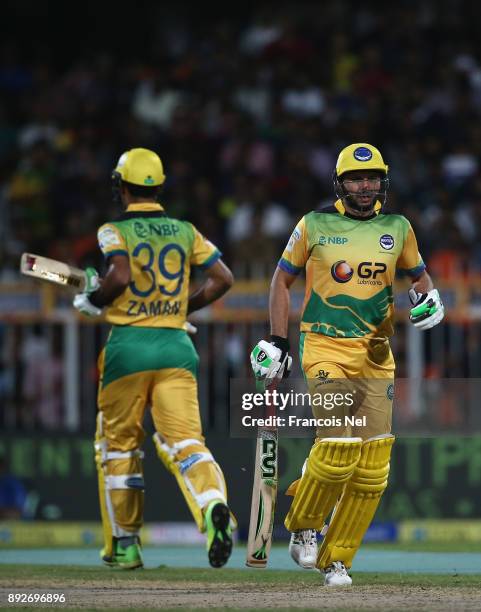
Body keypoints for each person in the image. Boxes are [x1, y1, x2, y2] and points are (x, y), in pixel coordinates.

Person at [250, 143, 444, 586]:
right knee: (339, 447)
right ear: (340, 183)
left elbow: (420, 278)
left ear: (383, 181)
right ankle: (303, 524)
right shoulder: (313, 224)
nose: (364, 186)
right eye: (355, 179)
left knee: (373, 465)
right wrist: (277, 340)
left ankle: (337, 559)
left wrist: (430, 301)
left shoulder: (398, 227)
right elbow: (282, 279)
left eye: (372, 177)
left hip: (377, 354)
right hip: (324, 346)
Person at [73, 148, 235, 569]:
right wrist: (184, 309)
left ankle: (125, 545)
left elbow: (120, 275)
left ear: (121, 186)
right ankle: (213, 505)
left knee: (118, 447)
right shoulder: (185, 230)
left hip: (128, 348)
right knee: (186, 444)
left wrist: (96, 298)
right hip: (176, 347)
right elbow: (223, 279)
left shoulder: (113, 230)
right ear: (159, 186)